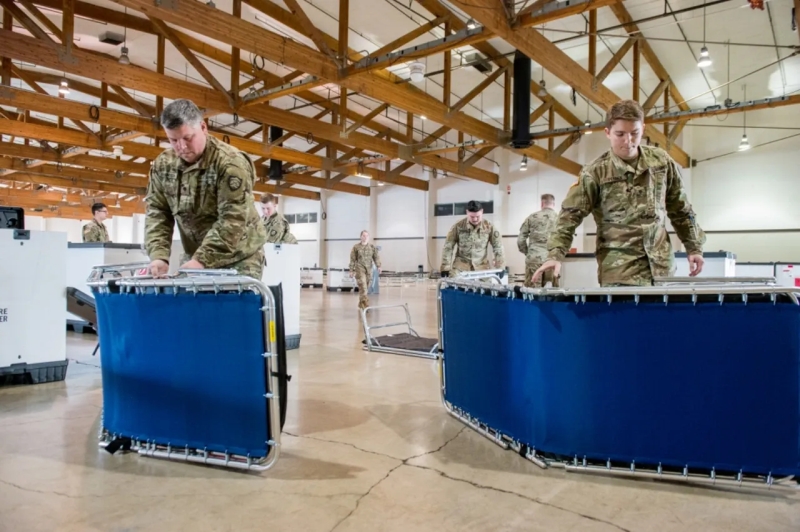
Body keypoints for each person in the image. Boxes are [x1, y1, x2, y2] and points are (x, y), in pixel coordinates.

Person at [533, 99, 705, 287]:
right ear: (607, 133)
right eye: (620, 134)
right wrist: (555, 256)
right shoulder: (595, 172)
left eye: (634, 133)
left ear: (643, 129)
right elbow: (569, 216)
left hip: (661, 269)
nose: (628, 141)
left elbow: (680, 208)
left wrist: (694, 247)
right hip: (620, 273)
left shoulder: (661, 163)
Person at [144, 99, 267, 278]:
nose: (181, 147)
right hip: (195, 255)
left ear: (203, 128)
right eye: (173, 140)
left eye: (187, 138)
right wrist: (159, 256)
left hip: (239, 257)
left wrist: (202, 260)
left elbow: (232, 220)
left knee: (231, 305)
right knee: (190, 305)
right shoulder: (163, 165)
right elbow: (157, 211)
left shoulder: (230, 164)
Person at [440, 200, 505, 277]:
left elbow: (498, 246)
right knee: (453, 286)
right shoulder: (458, 226)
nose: (474, 219)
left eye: (477, 216)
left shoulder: (489, 227)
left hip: (481, 268)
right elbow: (448, 247)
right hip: (460, 267)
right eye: (472, 216)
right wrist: (445, 267)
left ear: (482, 212)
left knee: (486, 288)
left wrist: (500, 266)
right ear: (467, 212)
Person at [518, 194, 558, 288]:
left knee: (531, 292)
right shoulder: (560, 218)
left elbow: (520, 240)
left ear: (542, 203)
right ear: (554, 204)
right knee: (551, 291)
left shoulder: (532, 217)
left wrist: (528, 253)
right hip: (551, 259)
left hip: (534, 258)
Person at [349, 230, 381, 310]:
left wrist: (379, 266)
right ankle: (365, 305)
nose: (365, 237)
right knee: (363, 286)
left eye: (367, 235)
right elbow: (352, 259)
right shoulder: (356, 247)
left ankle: (361, 304)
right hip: (360, 269)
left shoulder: (372, 247)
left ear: (369, 237)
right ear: (361, 237)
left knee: (366, 287)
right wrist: (351, 270)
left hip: (369, 270)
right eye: (363, 235)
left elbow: (376, 257)